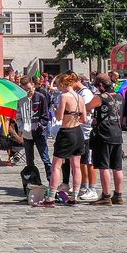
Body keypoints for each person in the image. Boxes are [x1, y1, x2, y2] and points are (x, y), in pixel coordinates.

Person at [38, 73, 85, 208]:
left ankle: (51, 197)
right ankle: (74, 196)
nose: (59, 89)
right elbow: (84, 119)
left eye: (60, 86)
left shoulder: (64, 96)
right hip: (78, 132)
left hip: (66, 132)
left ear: (64, 85)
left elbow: (58, 117)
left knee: (56, 165)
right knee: (76, 166)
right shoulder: (79, 97)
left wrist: (60, 110)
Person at [86, 74, 125, 206]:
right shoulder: (119, 96)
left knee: (104, 166)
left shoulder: (101, 97)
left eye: (97, 85)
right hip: (117, 133)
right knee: (117, 167)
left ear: (101, 85)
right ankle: (118, 195)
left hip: (104, 134)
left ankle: (106, 195)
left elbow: (86, 107)